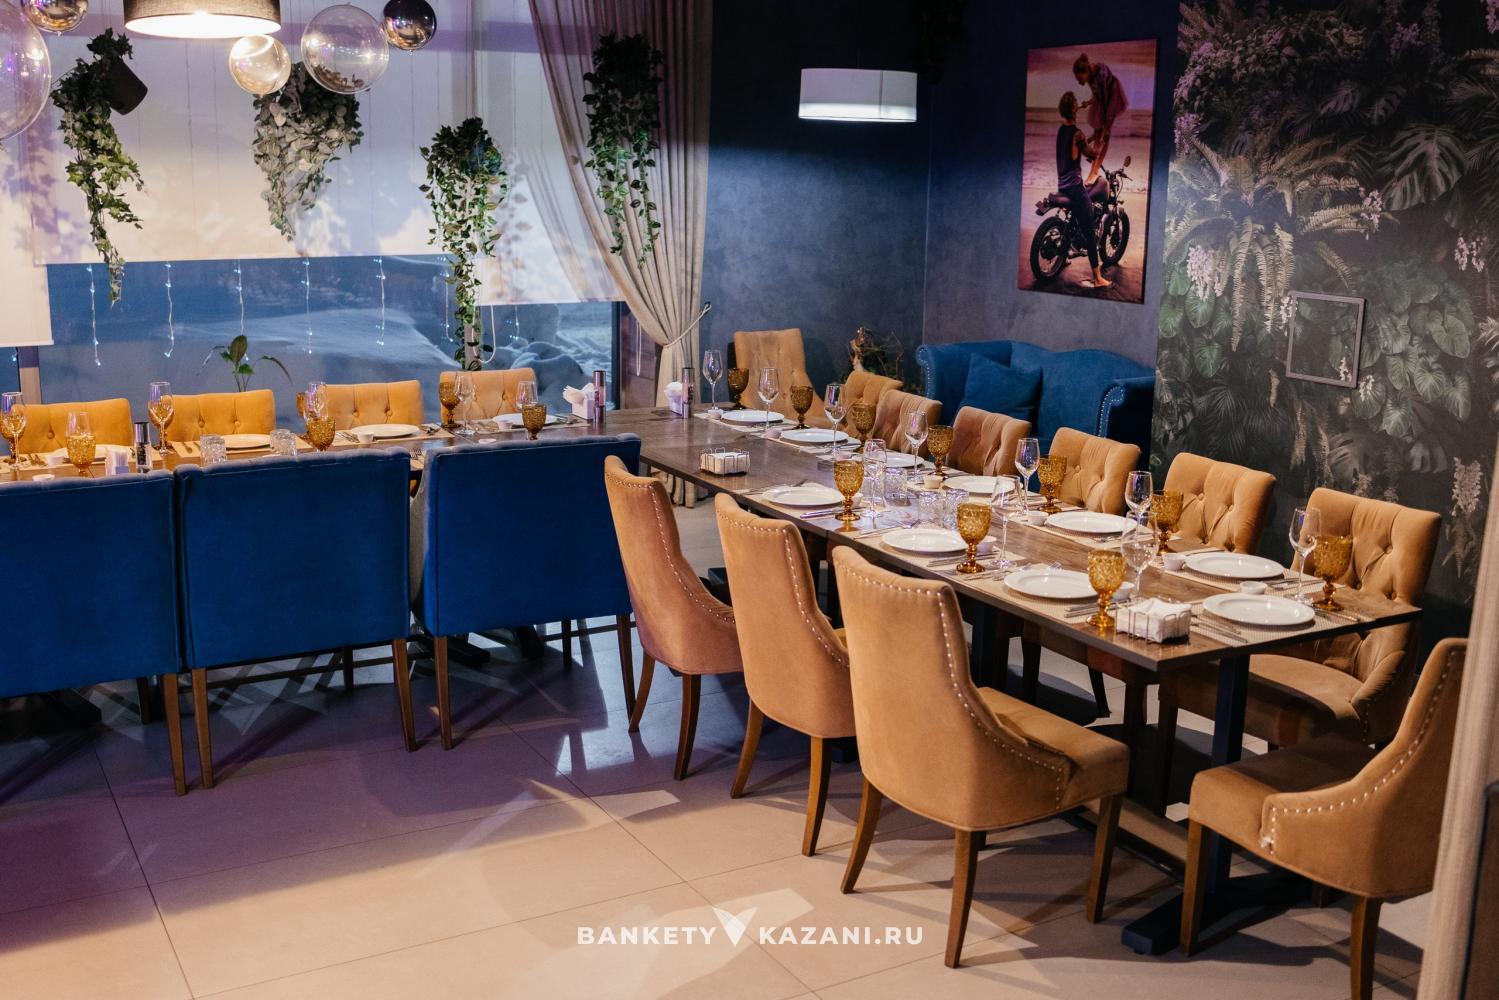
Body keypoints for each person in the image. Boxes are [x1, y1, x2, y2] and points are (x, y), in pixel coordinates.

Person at [1055, 91, 1112, 290]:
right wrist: (1102, 139)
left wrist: (1089, 139)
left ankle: (1063, 257)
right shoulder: (1077, 133)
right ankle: (1098, 278)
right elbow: (1092, 153)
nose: (1078, 104)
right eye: (1076, 103)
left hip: (1062, 184)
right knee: (1090, 231)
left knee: (1077, 219)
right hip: (1074, 188)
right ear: (1073, 109)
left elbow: (1075, 148)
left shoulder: (1062, 131)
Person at [1074, 52, 1128, 185]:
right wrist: (1088, 102)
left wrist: (1106, 127)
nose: (1079, 82)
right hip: (1103, 97)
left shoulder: (1099, 75)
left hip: (1112, 94)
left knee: (1105, 135)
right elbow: (1097, 95)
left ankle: (1095, 171)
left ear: (1085, 72)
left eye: (1079, 78)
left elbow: (1104, 101)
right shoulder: (1089, 77)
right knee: (1097, 132)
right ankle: (1092, 171)